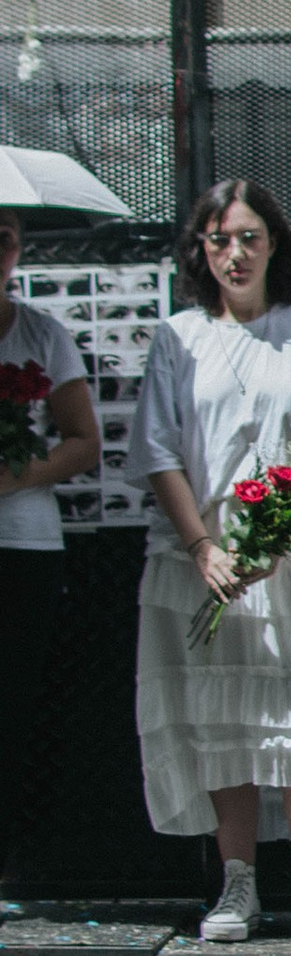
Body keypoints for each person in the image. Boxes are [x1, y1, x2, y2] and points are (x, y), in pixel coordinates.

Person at [136, 179, 291, 947]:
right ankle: (237, 884)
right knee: (219, 720)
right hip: (196, 563)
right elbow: (158, 451)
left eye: (249, 238)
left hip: (285, 560)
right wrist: (204, 548)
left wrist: (273, 543)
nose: (234, 254)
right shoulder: (176, 338)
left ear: (273, 245)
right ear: (200, 251)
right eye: (218, 240)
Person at [0, 209, 102, 903]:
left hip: (22, 546)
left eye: (2, 238)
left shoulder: (42, 333)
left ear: (19, 249)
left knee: (11, 708)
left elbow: (83, 440)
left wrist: (17, 475)